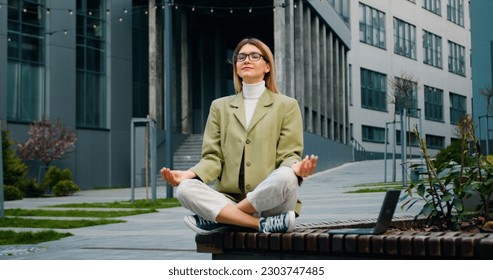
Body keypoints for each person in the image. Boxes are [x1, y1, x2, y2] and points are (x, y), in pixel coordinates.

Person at [160, 37, 318, 235]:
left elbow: (289, 154)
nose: (246, 60)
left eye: (254, 56)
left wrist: (295, 167)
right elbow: (213, 158)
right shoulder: (219, 107)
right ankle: (257, 224)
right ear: (235, 66)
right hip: (233, 199)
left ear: (267, 66)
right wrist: (189, 174)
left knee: (287, 176)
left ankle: (226, 218)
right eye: (241, 57)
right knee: (184, 189)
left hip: (274, 203)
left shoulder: (286, 105)